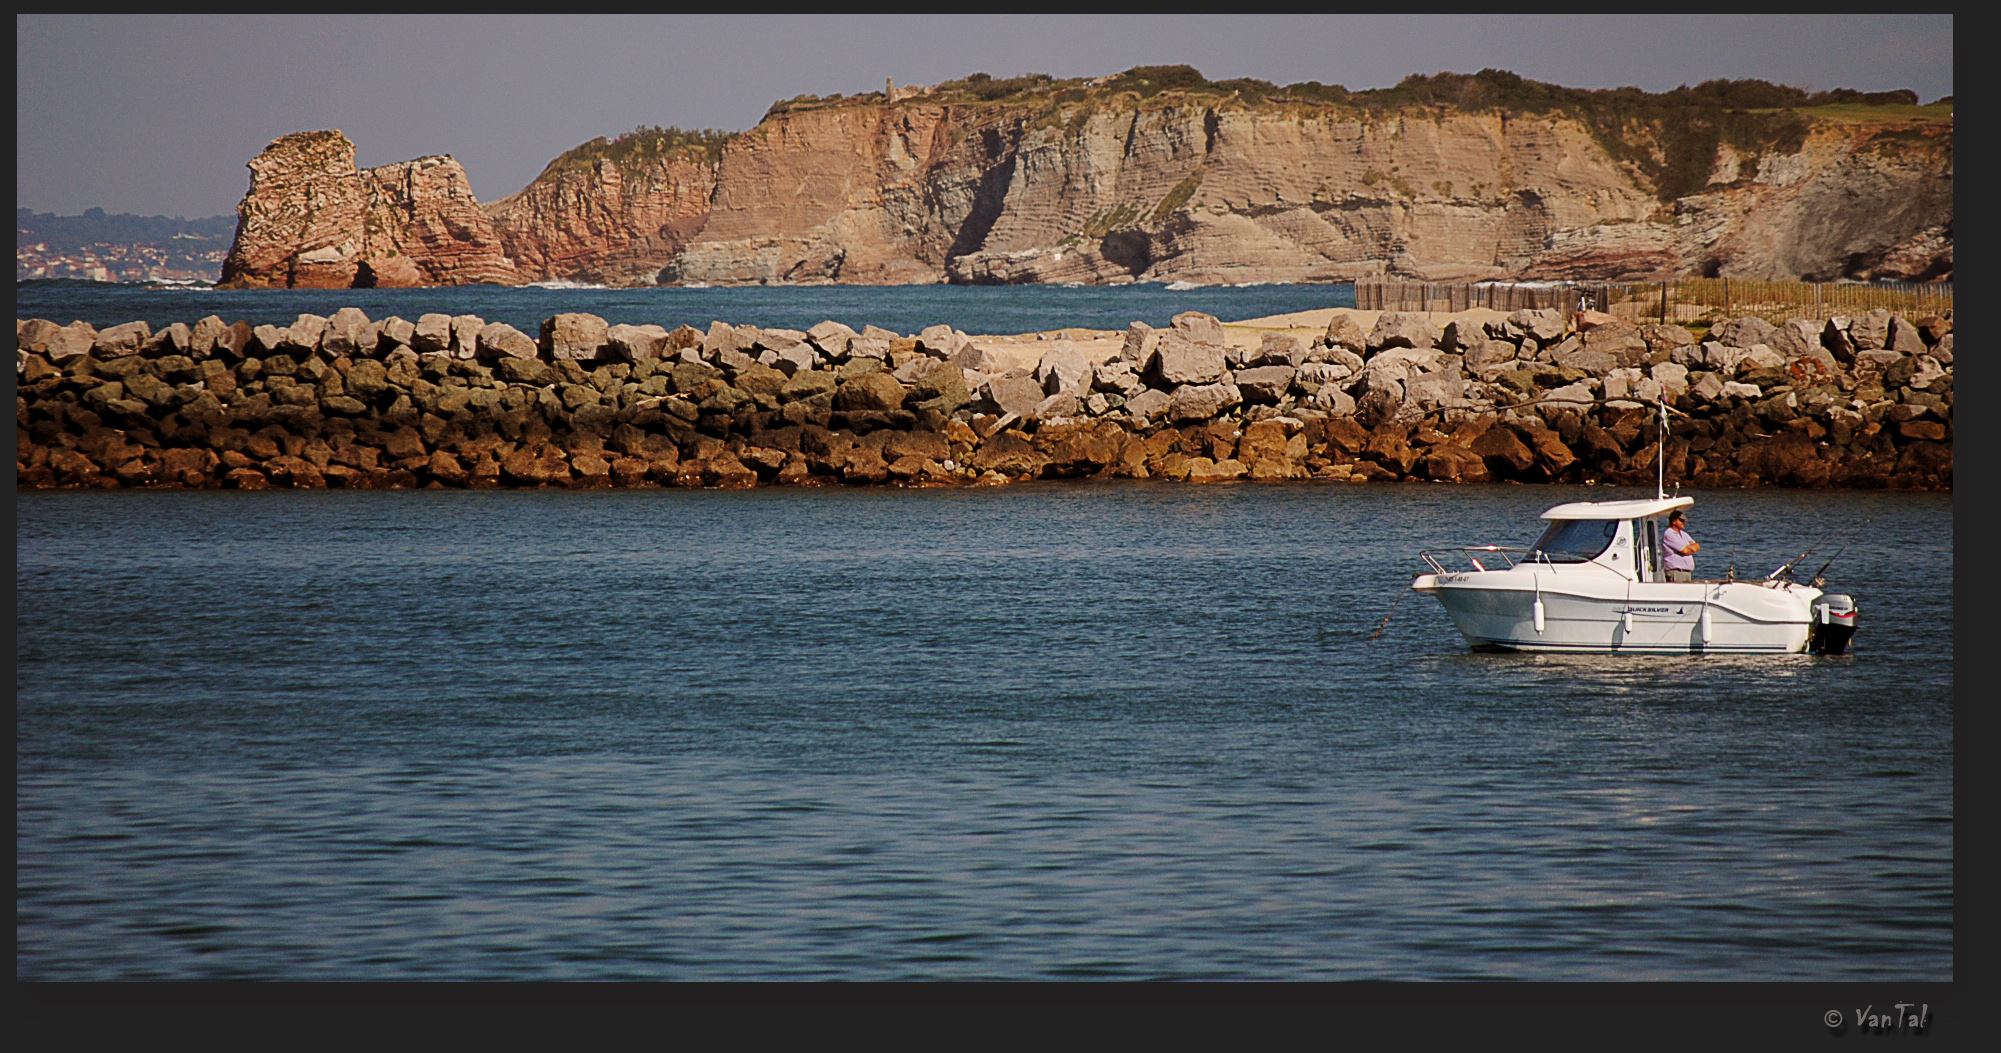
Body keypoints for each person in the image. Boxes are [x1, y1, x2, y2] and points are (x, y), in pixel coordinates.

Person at [1662, 510, 1699, 582]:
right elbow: (1685, 550)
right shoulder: (1669, 534)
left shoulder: (1684, 534)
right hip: (1676, 572)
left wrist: (1689, 548)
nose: (1684, 523)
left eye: (1684, 521)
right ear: (1674, 521)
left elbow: (1697, 546)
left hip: (1686, 572)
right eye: (1681, 520)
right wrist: (1690, 548)